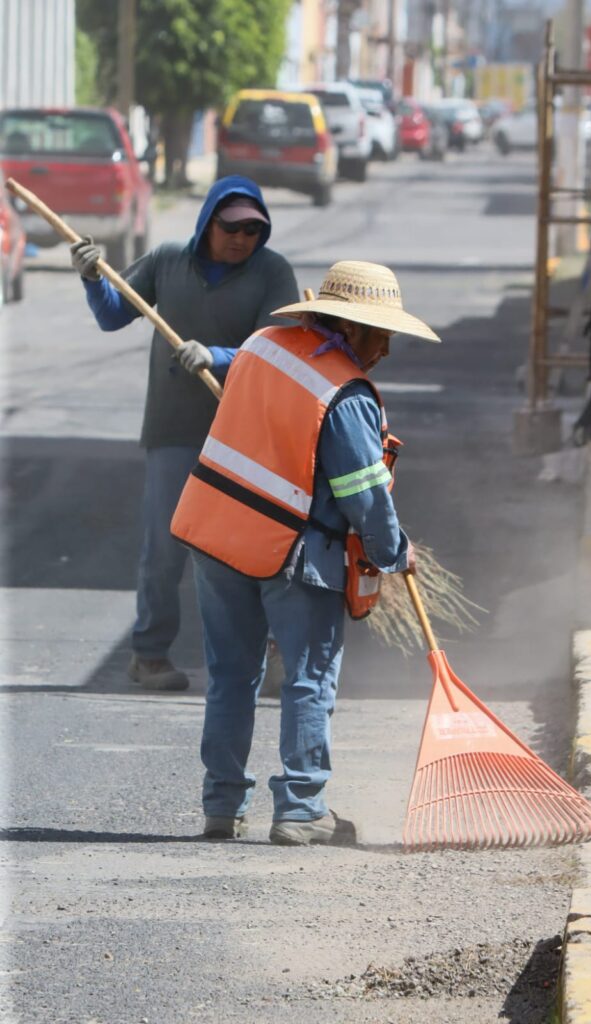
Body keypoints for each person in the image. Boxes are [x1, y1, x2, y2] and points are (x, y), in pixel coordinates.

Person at [171, 260, 440, 845]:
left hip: (215, 533)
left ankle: (221, 805)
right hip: (289, 549)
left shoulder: (260, 346)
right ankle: (300, 809)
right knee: (309, 678)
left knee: (231, 676)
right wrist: (394, 552)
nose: (386, 351)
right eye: (382, 335)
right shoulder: (345, 393)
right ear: (351, 327)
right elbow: (362, 494)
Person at [69, 177, 299, 692]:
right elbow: (112, 315)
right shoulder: (167, 261)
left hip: (244, 436)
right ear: (207, 223)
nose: (241, 239)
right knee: (165, 549)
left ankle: (268, 656)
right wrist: (92, 279)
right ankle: (149, 655)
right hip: (173, 428)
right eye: (231, 227)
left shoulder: (272, 271)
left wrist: (217, 356)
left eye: (253, 231)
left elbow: (277, 349)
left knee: (253, 549)